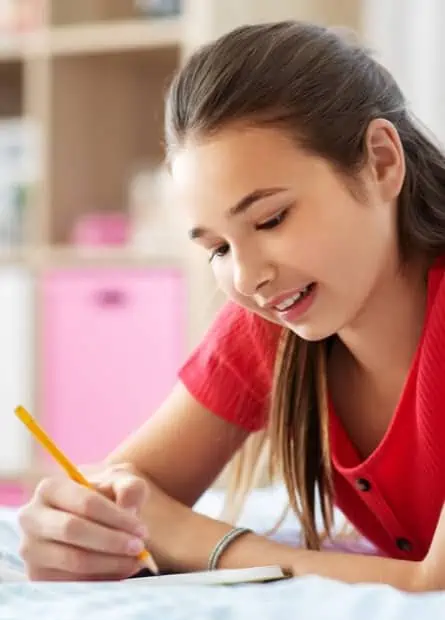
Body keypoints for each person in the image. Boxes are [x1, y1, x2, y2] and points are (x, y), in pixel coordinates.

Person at [18, 21, 445, 590]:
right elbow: (131, 492)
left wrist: (203, 543)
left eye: (271, 219)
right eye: (217, 247)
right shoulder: (277, 320)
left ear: (382, 162)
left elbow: (433, 584)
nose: (247, 279)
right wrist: (71, 528)